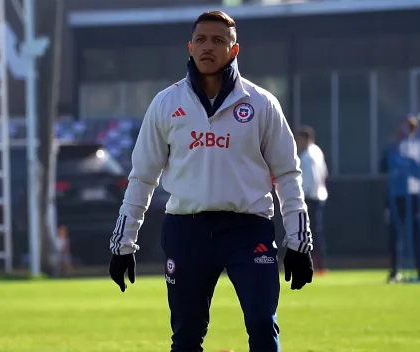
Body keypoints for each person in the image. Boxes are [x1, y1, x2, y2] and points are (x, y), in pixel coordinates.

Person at [108, 11, 313, 352]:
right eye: (201, 40)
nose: (208, 47)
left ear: (234, 50)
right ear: (190, 48)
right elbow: (143, 177)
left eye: (218, 40)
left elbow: (288, 174)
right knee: (186, 336)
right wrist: (124, 243)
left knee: (263, 324)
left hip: (248, 231)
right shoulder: (166, 103)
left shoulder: (261, 103)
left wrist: (298, 241)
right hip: (187, 232)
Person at [379, 116, 420, 282]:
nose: (404, 131)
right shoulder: (393, 148)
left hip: (414, 196)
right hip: (396, 196)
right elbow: (382, 167)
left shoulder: (419, 147)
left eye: (409, 128)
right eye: (402, 127)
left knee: (417, 233)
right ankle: (395, 271)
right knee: (394, 234)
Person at [295, 125, 329, 274]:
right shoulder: (317, 152)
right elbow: (324, 173)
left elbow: (311, 179)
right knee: (313, 231)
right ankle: (317, 264)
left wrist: (302, 196)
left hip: (310, 198)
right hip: (318, 196)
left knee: (309, 232)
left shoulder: (307, 155)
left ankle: (316, 264)